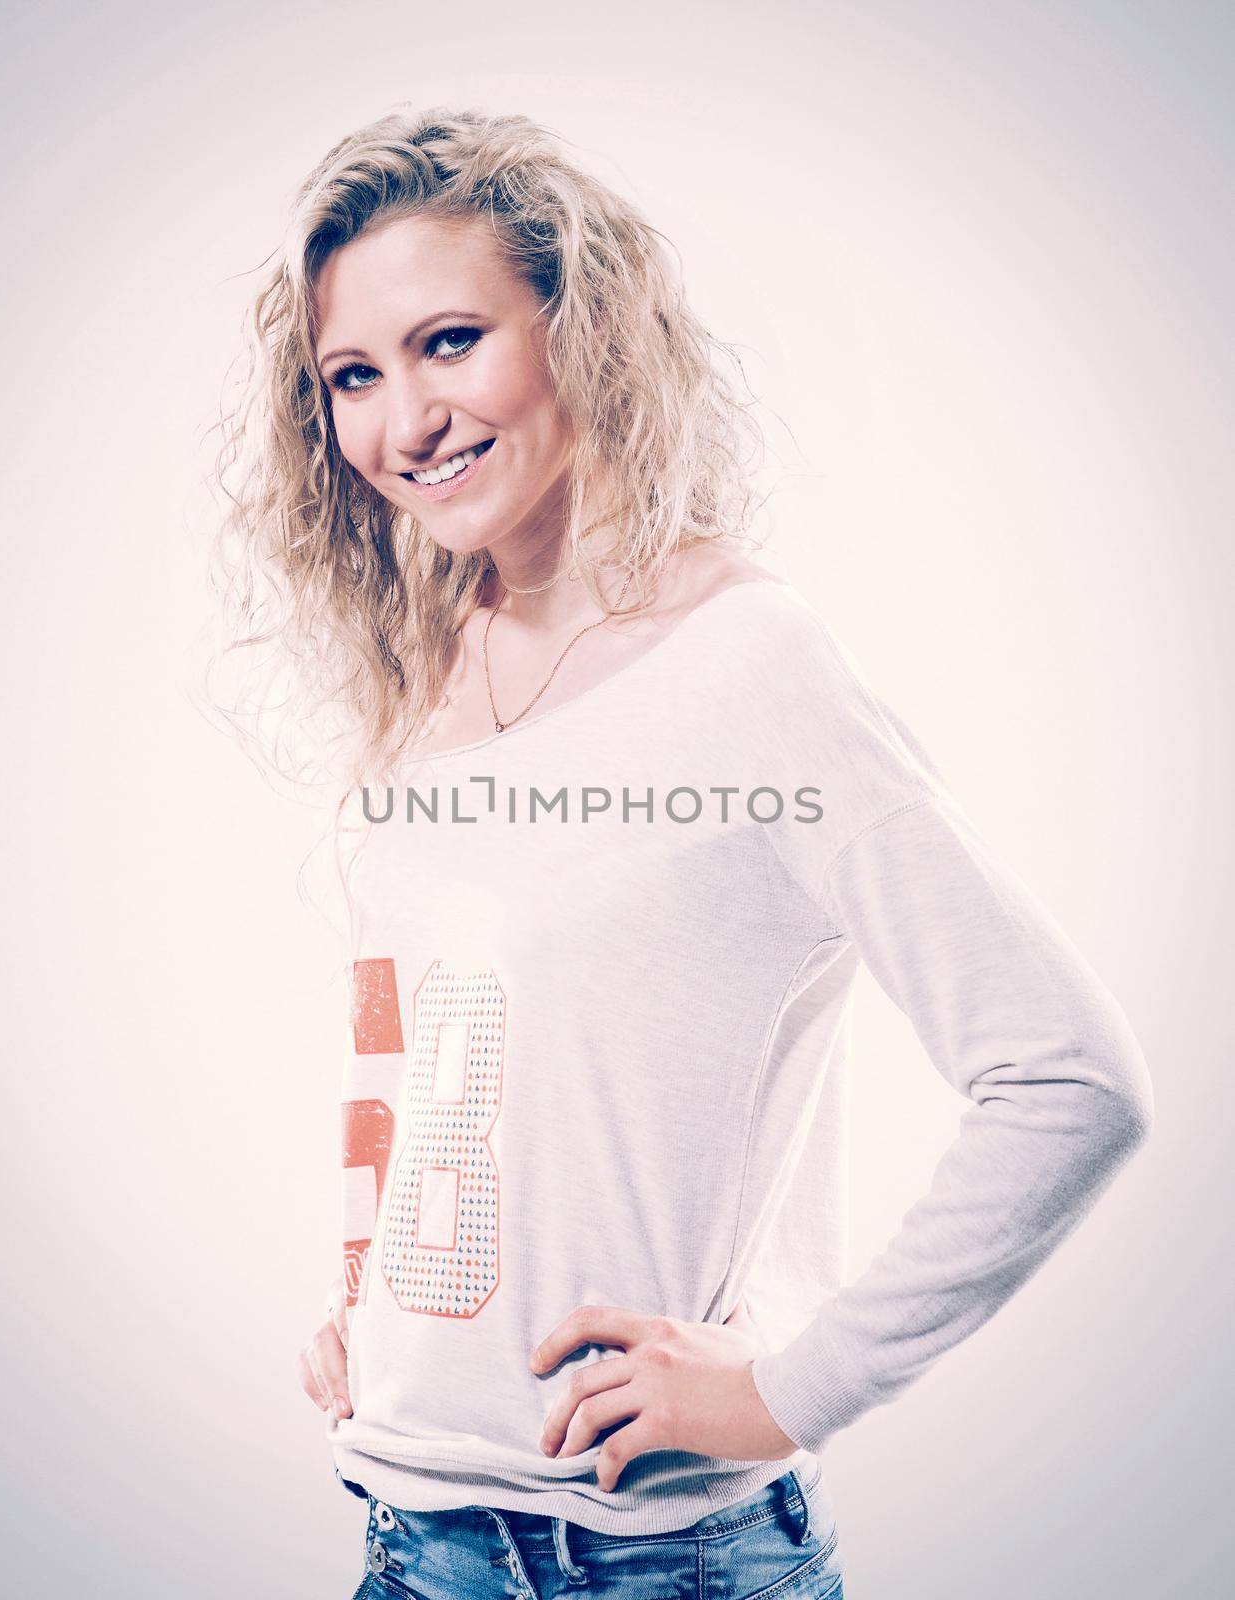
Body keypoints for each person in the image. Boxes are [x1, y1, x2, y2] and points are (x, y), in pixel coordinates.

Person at [211, 106, 1154, 1600]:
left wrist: (789, 1389)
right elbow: (413, 1038)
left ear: (579, 329)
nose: (405, 421)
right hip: (407, 1531)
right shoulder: (429, 679)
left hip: (654, 1556)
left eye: (451, 341)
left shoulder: (746, 665)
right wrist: (370, 1296)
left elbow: (1068, 1079)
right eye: (354, 375)